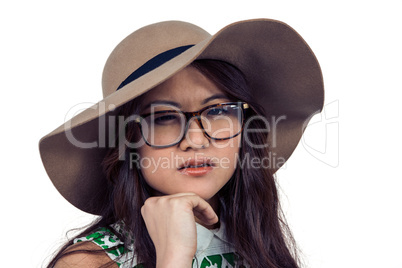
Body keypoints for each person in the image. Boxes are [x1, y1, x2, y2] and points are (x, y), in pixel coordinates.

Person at [40, 19, 324, 268]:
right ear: (128, 141)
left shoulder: (261, 247)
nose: (196, 140)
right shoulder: (90, 262)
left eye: (217, 111)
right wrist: (173, 257)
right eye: (163, 117)